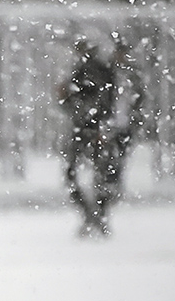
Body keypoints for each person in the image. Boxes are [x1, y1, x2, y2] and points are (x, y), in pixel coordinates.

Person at [57, 37, 139, 237]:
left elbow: (116, 104)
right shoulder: (94, 72)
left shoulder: (110, 74)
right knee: (96, 175)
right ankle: (95, 217)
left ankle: (96, 216)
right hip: (96, 131)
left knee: (105, 176)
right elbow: (81, 102)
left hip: (103, 131)